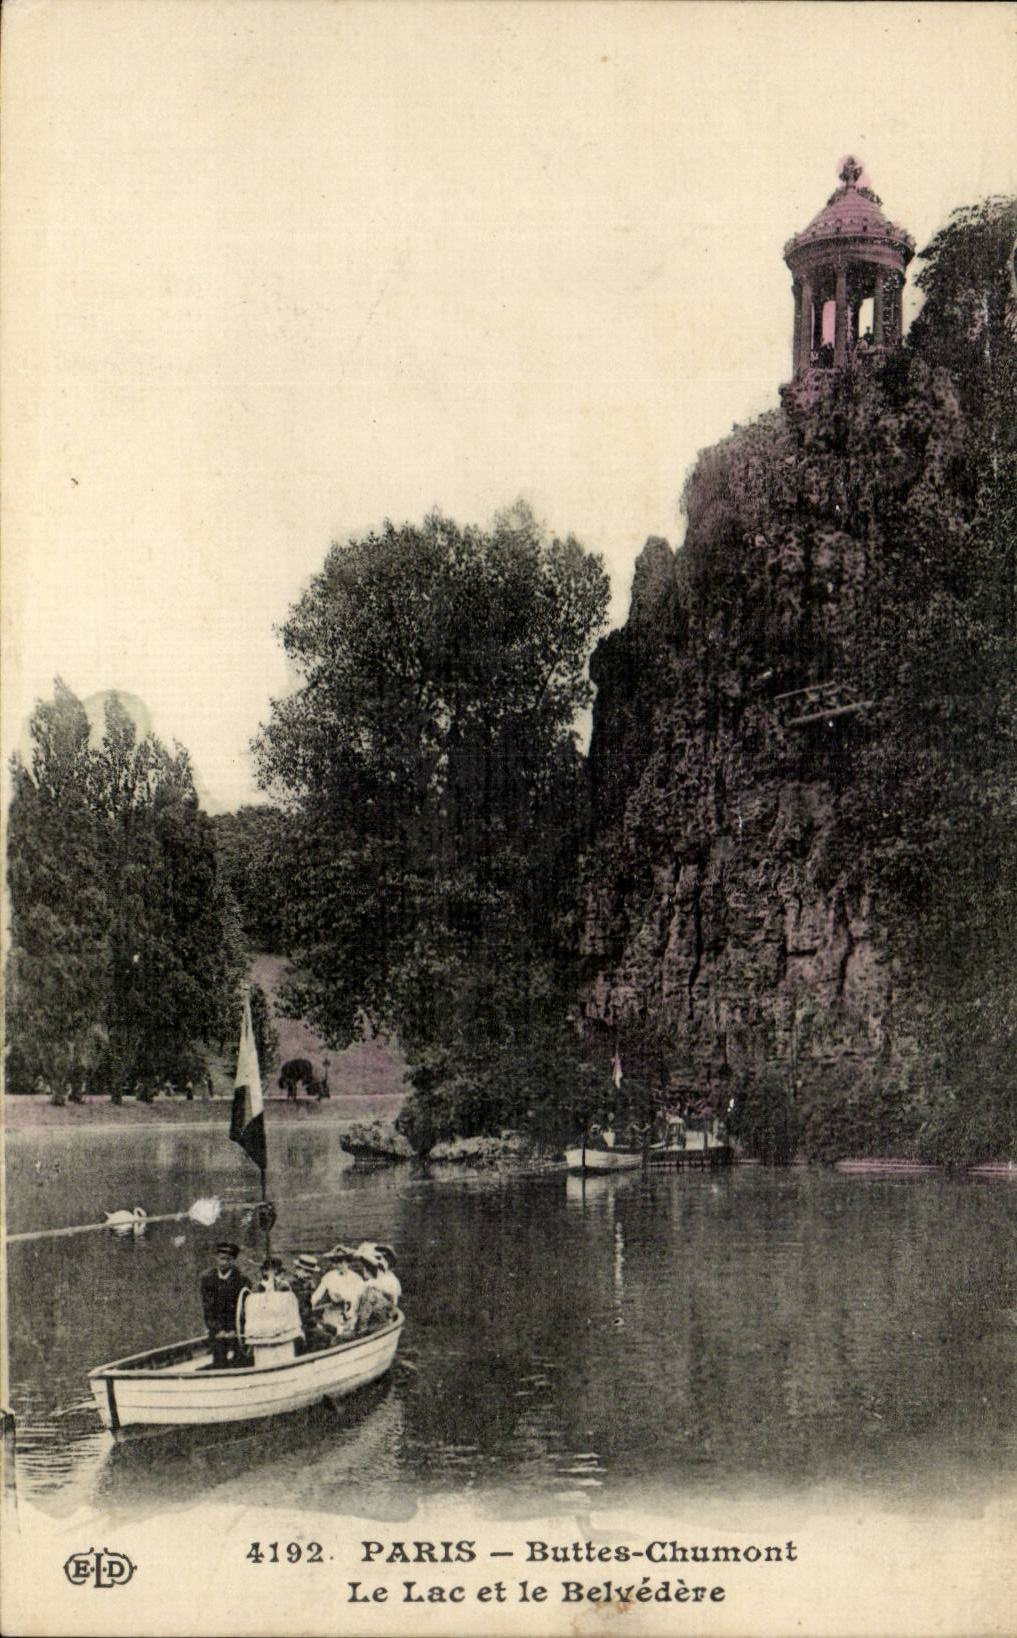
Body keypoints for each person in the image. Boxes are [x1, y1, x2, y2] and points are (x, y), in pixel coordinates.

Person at [200, 1242, 250, 1368]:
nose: (224, 1262)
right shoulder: (207, 1279)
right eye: (221, 1258)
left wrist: (233, 1329)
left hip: (237, 1330)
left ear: (233, 1260)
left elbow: (243, 1309)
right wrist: (217, 1329)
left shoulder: (242, 1280)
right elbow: (208, 1308)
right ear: (216, 1258)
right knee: (219, 1358)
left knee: (241, 1360)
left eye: (228, 1259)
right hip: (217, 1330)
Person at [310, 1246, 366, 1341]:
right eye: (336, 1261)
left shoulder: (357, 1279)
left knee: (347, 1332)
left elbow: (359, 1299)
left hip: (350, 1315)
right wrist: (310, 1305)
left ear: (347, 1262)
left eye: (341, 1261)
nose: (338, 1264)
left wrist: (344, 1298)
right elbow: (317, 1295)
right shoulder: (329, 1277)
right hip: (332, 1314)